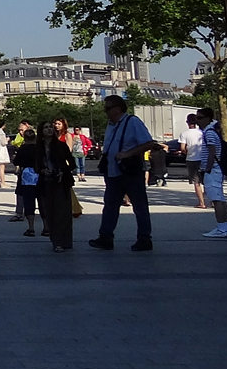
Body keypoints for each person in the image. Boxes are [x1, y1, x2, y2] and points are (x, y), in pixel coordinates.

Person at [91, 94, 163, 252]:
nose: (105, 111)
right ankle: (106, 237)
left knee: (139, 206)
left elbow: (149, 143)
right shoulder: (111, 124)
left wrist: (127, 154)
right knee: (110, 205)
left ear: (117, 109)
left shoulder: (132, 122)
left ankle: (144, 239)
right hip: (113, 172)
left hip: (130, 171)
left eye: (108, 108)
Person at [33, 122, 76, 252]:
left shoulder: (61, 146)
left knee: (62, 212)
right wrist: (42, 171)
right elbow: (36, 166)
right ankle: (56, 240)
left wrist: (63, 171)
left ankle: (62, 241)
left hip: (61, 182)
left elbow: (72, 163)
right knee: (49, 212)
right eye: (46, 127)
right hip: (46, 182)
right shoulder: (38, 148)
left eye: (50, 127)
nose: (49, 129)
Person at [197, 108, 227, 238]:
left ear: (207, 118)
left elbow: (212, 152)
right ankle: (225, 227)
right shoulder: (213, 131)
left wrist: (207, 168)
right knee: (219, 199)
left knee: (216, 200)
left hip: (213, 170)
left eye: (200, 118)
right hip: (216, 169)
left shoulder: (209, 133)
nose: (197, 121)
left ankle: (222, 228)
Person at [12, 126, 40, 236]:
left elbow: (16, 162)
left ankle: (31, 227)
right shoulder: (39, 148)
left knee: (29, 201)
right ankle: (46, 227)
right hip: (39, 173)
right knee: (42, 200)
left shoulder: (23, 149)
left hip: (26, 175)